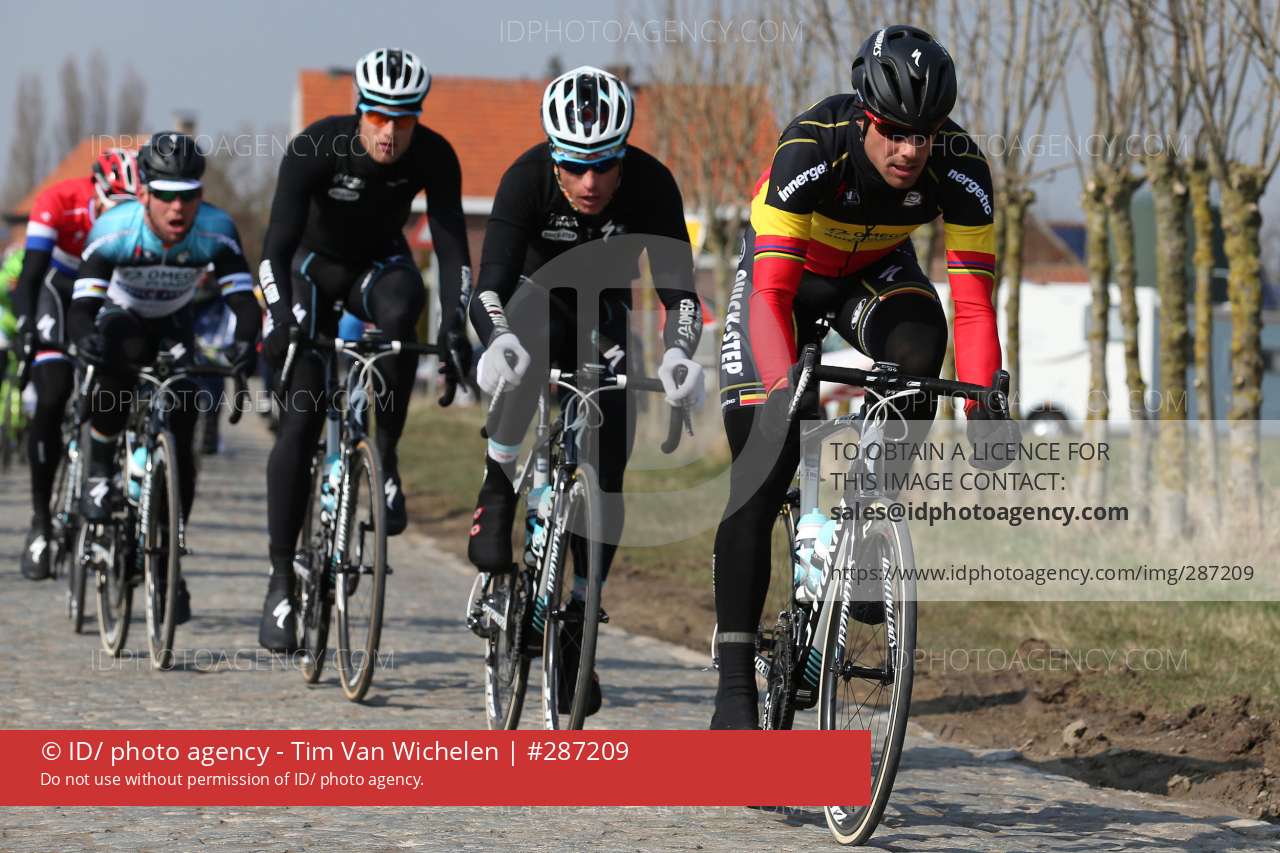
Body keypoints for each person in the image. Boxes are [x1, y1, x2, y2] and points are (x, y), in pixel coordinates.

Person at [710, 25, 1017, 729]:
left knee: (921, 343)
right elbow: (770, 296)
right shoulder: (812, 146)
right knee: (763, 465)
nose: (910, 150)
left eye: (924, 135)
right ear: (865, 117)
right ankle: (733, 688)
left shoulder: (961, 167)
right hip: (784, 280)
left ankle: (871, 510)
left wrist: (984, 407)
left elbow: (973, 304)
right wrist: (783, 391)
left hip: (873, 274)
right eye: (895, 133)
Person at [465, 66, 705, 717]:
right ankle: (498, 484)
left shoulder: (652, 184)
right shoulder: (526, 178)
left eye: (604, 165)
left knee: (609, 459)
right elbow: (489, 286)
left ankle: (578, 613)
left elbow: (681, 293)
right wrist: (496, 339)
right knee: (530, 340)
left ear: (624, 154)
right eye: (575, 167)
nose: (590, 182)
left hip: (605, 316)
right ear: (554, 156)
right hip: (535, 303)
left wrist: (680, 354)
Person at [256, 47, 472, 651]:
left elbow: (453, 250)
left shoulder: (434, 155)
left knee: (406, 310)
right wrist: (280, 319)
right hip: (312, 272)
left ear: (418, 116)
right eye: (378, 116)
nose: (389, 132)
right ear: (359, 110)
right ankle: (280, 581)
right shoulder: (316, 147)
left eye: (403, 119)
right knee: (301, 420)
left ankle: (387, 456)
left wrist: (455, 328)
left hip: (379, 268)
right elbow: (274, 248)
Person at [70, 131, 261, 623]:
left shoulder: (215, 229)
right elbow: (83, 307)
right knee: (120, 359)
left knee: (184, 416)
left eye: (188, 196)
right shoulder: (115, 229)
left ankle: (168, 555)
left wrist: (246, 343)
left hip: (175, 320)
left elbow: (243, 300)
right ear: (144, 195)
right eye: (166, 197)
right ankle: (99, 470)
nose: (178, 209)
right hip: (122, 314)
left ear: (201, 195)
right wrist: (84, 338)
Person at [14, 147, 139, 580]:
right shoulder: (59, 201)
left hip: (110, 288)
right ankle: (41, 524)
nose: (122, 216)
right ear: (95, 192)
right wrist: (26, 328)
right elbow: (31, 274)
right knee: (52, 395)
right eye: (114, 206)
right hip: (61, 288)